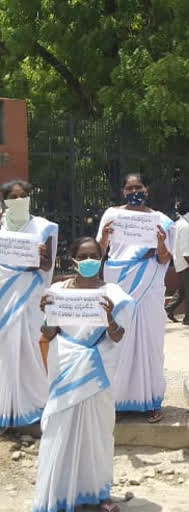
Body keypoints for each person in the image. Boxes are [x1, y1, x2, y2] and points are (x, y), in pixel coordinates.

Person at [33, 237, 134, 512]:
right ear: (74, 259)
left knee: (98, 433)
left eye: (95, 256)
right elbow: (48, 334)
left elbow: (118, 336)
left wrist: (110, 318)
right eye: (84, 255)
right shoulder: (57, 291)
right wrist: (47, 315)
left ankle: (98, 493)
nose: (90, 261)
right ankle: (65, 494)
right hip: (65, 365)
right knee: (60, 430)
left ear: (102, 259)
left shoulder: (113, 293)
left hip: (98, 368)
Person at [96, 173, 174, 423]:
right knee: (118, 340)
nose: (134, 191)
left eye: (138, 186)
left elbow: (164, 259)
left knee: (149, 342)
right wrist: (106, 237)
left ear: (146, 189)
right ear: (123, 191)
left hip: (148, 284)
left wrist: (161, 243)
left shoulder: (161, 220)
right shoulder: (112, 215)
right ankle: (117, 402)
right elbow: (98, 251)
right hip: (118, 281)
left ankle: (150, 401)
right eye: (129, 188)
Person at [0, 179, 58, 429]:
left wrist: (41, 258)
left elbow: (47, 266)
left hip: (31, 293)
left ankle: (34, 405)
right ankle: (6, 407)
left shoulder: (43, 227)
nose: (19, 200)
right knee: (5, 349)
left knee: (32, 348)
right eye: (13, 197)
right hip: (4, 293)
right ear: (5, 201)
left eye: (23, 196)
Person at [166, 203, 189, 325]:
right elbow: (184, 248)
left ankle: (169, 309)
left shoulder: (177, 225)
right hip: (187, 264)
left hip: (179, 262)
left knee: (182, 290)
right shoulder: (185, 227)